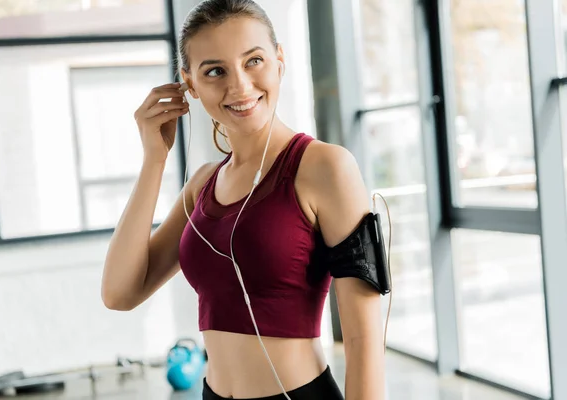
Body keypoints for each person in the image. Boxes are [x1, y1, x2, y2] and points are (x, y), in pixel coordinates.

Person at [101, 0, 385, 398]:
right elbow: (120, 292)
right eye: (215, 71)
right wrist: (154, 160)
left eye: (253, 61)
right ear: (190, 84)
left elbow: (363, 342)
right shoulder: (202, 184)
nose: (239, 86)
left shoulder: (325, 167)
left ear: (279, 60)